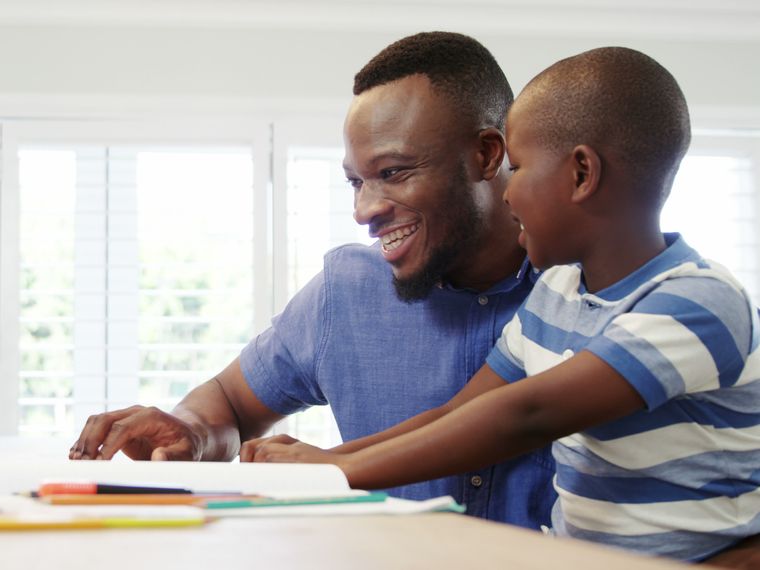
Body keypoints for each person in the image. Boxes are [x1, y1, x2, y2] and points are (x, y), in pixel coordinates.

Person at [242, 47, 760, 563]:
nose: (506, 193)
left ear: (581, 174)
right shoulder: (557, 294)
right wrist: (326, 460)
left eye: (519, 167)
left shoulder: (697, 302)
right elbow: (458, 412)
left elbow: (526, 415)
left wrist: (335, 473)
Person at [69, 31, 556, 530]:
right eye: (356, 181)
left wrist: (331, 466)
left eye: (393, 172)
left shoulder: (584, 292)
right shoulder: (345, 293)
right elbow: (230, 403)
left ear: (487, 155)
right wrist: (194, 434)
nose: (364, 210)